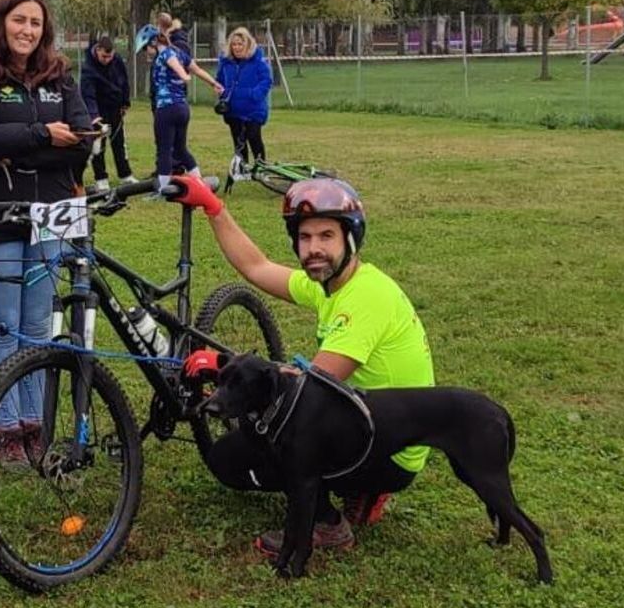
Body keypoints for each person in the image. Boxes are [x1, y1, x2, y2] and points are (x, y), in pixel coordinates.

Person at [167, 173, 435, 556]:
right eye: (305, 238)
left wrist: (225, 363)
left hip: (390, 450)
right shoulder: (333, 282)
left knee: (239, 452)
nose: (314, 249)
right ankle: (357, 485)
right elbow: (257, 267)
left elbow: (309, 390)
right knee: (250, 439)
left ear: (350, 239)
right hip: (378, 426)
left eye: (326, 236)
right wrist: (213, 207)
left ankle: (327, 523)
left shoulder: (366, 298)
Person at [0, 0, 92, 466]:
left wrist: (13, 144)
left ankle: (36, 424)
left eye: (35, 23)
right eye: (18, 20)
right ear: (0, 22)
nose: (27, 30)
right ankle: (7, 428)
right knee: (3, 324)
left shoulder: (61, 75)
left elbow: (81, 142)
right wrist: (40, 135)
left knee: (36, 323)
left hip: (51, 214)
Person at [138, 18, 221, 192]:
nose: (147, 52)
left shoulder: (166, 54)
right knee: (181, 148)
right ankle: (199, 183)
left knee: (164, 150)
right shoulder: (180, 52)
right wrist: (213, 83)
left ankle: (163, 189)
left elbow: (175, 64)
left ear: (154, 42)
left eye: (146, 47)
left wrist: (183, 75)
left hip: (166, 109)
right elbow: (197, 69)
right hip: (182, 108)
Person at [214, 27, 273, 180]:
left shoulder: (258, 62)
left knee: (254, 136)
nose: (237, 48)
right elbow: (219, 80)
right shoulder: (226, 63)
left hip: (254, 108)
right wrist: (221, 92)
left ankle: (261, 167)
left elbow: (266, 80)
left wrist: (255, 94)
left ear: (247, 44)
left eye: (240, 44)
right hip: (233, 108)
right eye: (234, 44)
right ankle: (243, 167)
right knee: (238, 139)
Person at [79, 35, 136, 190]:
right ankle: (101, 178)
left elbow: (124, 81)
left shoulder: (117, 61)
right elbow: (87, 94)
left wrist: (125, 102)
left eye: (110, 56)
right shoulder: (88, 68)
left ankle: (125, 175)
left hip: (115, 107)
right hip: (98, 110)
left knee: (119, 142)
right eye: (104, 56)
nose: (107, 59)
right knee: (99, 145)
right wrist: (94, 117)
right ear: (97, 50)